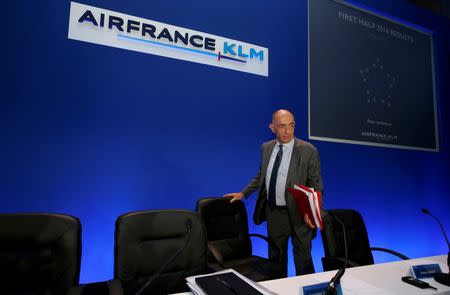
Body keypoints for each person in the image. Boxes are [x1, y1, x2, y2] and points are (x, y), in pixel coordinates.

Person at [224, 109, 323, 276]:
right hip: (275, 214)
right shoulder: (266, 148)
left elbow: (316, 186)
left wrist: (313, 213)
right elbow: (262, 175)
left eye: (291, 126)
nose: (287, 131)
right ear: (272, 128)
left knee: (303, 261)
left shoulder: (308, 150)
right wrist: (244, 193)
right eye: (282, 126)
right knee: (276, 262)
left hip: (300, 215)